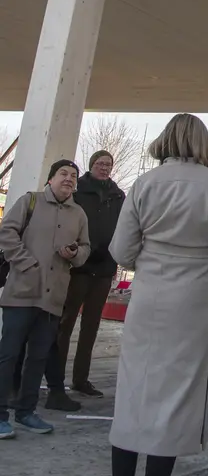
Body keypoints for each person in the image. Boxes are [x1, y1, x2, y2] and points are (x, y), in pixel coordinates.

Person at [105, 113, 208, 476]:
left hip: (148, 300)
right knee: (174, 401)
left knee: (133, 398)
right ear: (204, 144)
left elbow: (121, 250)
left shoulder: (144, 184)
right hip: (193, 305)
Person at [0, 160, 90, 439]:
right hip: (22, 292)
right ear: (51, 178)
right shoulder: (30, 201)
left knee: (37, 358)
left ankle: (26, 412)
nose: (69, 179)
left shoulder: (79, 214)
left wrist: (73, 253)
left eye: (73, 176)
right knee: (8, 355)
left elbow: (85, 248)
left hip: (53, 297)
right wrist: (26, 262)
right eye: (63, 174)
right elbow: (6, 233)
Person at [44, 150, 125, 410]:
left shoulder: (118, 195)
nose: (105, 167)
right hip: (79, 265)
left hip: (104, 268)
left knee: (91, 326)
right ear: (91, 166)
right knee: (64, 324)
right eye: (100, 163)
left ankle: (81, 379)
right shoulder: (79, 191)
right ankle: (54, 379)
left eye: (108, 164)